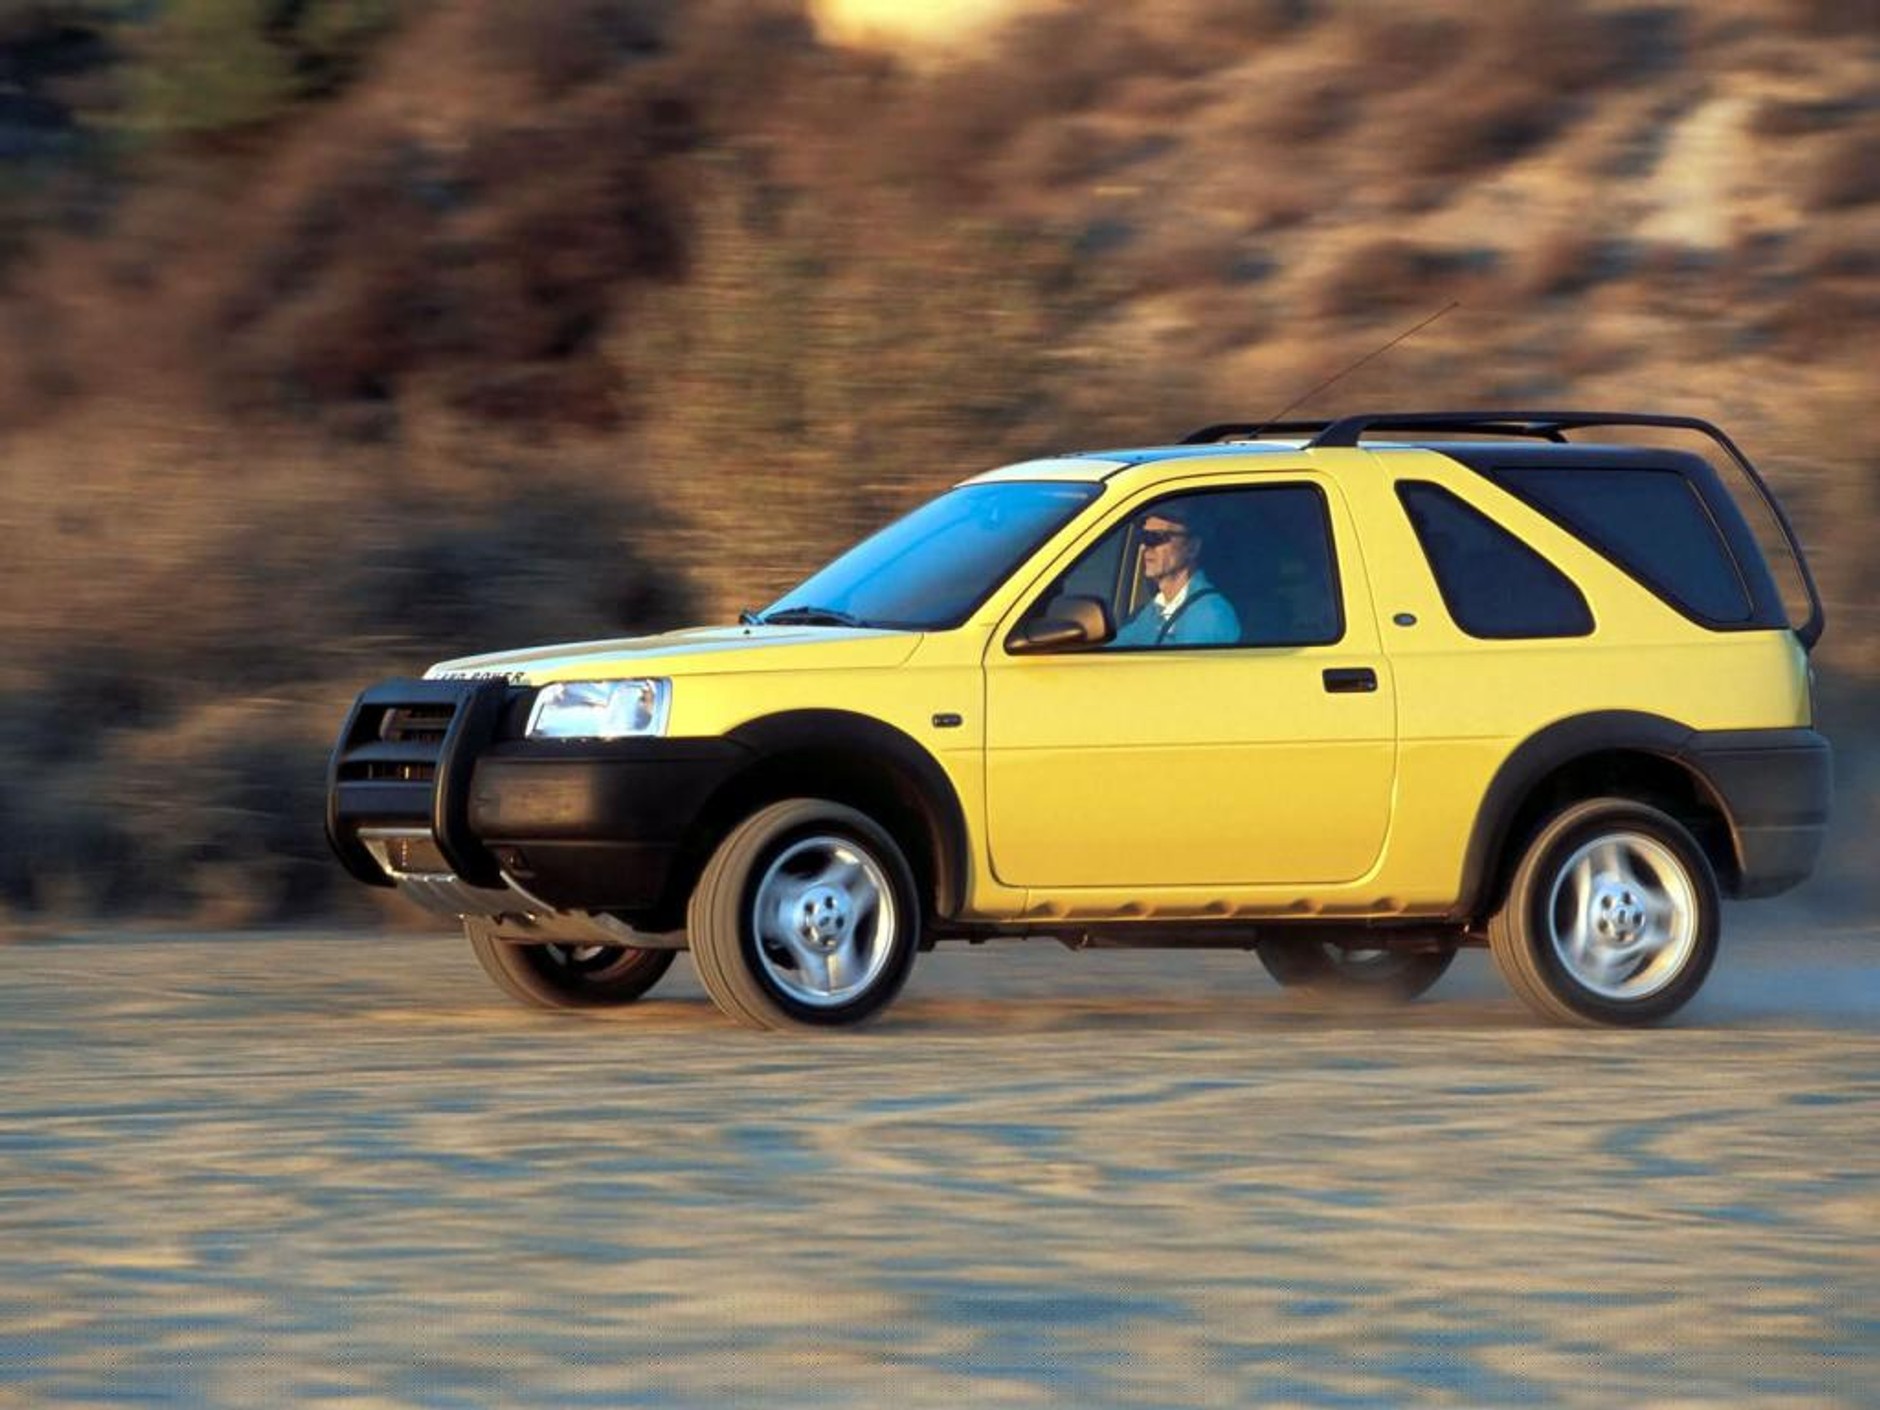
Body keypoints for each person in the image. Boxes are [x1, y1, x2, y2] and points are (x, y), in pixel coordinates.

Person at [1111, 502, 1241, 647]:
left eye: (1157, 537)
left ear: (1192, 547)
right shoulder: (1154, 610)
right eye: (1143, 537)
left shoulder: (1209, 615)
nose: (1144, 547)